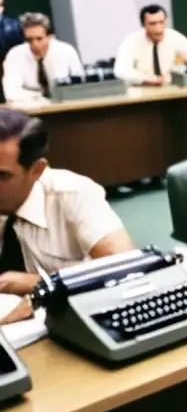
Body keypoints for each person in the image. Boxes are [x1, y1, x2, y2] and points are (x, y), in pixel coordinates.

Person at [0, 109, 134, 324]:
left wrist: (40, 284)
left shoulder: (74, 194)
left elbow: (127, 271)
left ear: (37, 170)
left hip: (76, 322)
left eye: (2, 176)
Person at [114, 4, 187, 86]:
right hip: (140, 90)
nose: (158, 29)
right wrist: (146, 79)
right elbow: (121, 70)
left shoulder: (173, 36)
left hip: (169, 88)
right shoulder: (131, 41)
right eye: (153, 24)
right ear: (143, 25)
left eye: (161, 22)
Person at [2, 13, 83, 101]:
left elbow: (80, 87)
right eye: (29, 40)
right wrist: (40, 98)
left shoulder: (67, 51)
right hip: (29, 109)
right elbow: (11, 93)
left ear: (50, 37)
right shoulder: (15, 55)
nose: (34, 44)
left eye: (39, 39)